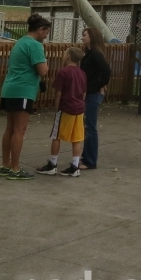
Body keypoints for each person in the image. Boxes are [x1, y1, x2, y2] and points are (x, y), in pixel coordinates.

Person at [0, 14, 51, 180]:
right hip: (23, 90)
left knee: (10, 128)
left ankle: (6, 165)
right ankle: (15, 168)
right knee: (20, 130)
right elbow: (43, 71)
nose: (45, 37)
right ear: (40, 29)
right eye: (46, 33)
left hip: (10, 88)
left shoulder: (20, 42)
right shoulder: (35, 45)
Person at [36, 47, 87, 177]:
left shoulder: (63, 72)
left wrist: (56, 108)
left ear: (68, 56)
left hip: (66, 108)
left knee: (56, 135)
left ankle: (52, 164)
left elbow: (58, 93)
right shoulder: (82, 73)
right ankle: (75, 166)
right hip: (79, 108)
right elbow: (84, 92)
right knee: (76, 138)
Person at [79, 27, 111, 170]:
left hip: (93, 94)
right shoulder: (89, 54)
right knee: (87, 127)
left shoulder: (96, 55)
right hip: (90, 93)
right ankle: (86, 157)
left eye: (84, 35)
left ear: (91, 37)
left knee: (90, 127)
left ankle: (90, 161)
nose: (82, 37)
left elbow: (106, 70)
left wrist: (99, 84)